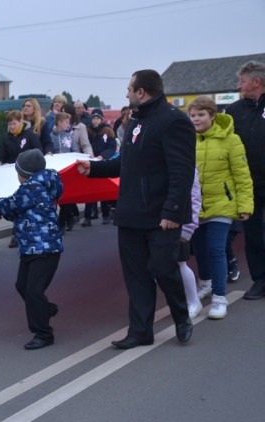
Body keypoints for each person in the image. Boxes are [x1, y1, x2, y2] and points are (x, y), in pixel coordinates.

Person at [77, 69, 195, 349]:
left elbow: (182, 172)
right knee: (136, 275)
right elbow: (125, 164)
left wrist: (172, 212)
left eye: (129, 88)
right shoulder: (136, 121)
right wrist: (92, 168)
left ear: (141, 91)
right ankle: (141, 332)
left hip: (161, 215)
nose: (126, 93)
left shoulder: (173, 121)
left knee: (164, 270)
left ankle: (182, 317)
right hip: (131, 213)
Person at [0, 149, 63, 350]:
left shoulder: (31, 188)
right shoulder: (43, 186)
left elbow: (8, 206)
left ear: (24, 174)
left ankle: (43, 334)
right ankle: (45, 309)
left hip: (43, 249)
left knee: (33, 291)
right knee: (22, 286)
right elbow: (19, 213)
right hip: (33, 248)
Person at [187, 96, 253, 319]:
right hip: (195, 206)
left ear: (212, 115)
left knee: (216, 249)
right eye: (192, 115)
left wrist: (245, 205)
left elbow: (242, 175)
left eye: (200, 115)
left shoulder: (231, 140)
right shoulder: (186, 139)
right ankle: (205, 283)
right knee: (200, 251)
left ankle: (219, 297)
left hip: (221, 205)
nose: (196, 119)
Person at [225, 60, 265, 300]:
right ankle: (260, 279)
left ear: (256, 81)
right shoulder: (233, 111)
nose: (239, 86)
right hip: (247, 184)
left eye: (242, 81)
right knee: (252, 234)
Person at [0, 109, 43, 248]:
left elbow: (38, 152)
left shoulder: (30, 135)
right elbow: (3, 156)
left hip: (29, 175)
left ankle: (33, 231)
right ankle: (16, 233)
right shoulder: (6, 138)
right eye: (10, 124)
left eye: (14, 123)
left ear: (20, 122)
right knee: (18, 205)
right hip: (14, 175)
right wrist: (4, 163)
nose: (12, 126)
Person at [82, 108, 117, 227]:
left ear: (101, 120)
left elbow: (112, 147)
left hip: (103, 163)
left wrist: (103, 156)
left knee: (103, 190)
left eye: (98, 118)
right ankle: (87, 217)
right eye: (94, 118)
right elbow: (83, 145)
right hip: (90, 162)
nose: (95, 121)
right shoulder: (87, 131)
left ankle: (106, 214)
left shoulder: (107, 131)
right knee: (89, 191)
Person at [179, 168, 202, 318]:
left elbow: (194, 196)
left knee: (179, 263)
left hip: (179, 221)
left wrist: (189, 227)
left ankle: (193, 301)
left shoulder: (184, 160)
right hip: (155, 220)